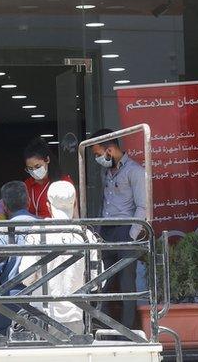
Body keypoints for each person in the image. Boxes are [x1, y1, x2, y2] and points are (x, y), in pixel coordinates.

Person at [18, 181, 101, 336]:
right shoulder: (87, 236)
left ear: (49, 206)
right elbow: (97, 281)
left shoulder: (37, 234)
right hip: (75, 316)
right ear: (75, 204)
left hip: (41, 317)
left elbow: (26, 277)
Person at [90, 128, 147, 329]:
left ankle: (128, 328)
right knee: (103, 278)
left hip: (125, 229)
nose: (97, 158)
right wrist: (97, 230)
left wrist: (131, 235)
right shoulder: (106, 173)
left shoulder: (136, 172)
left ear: (110, 150)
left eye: (98, 154)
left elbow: (143, 206)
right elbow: (103, 202)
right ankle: (101, 324)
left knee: (126, 282)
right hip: (106, 230)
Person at [0, 181, 36, 334]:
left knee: (4, 338)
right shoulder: (42, 226)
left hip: (11, 294)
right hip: (40, 294)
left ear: (5, 206)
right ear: (29, 201)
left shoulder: (5, 229)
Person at [22, 138, 73, 218]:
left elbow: (74, 211)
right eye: (30, 169)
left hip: (57, 228)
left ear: (47, 160)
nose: (34, 171)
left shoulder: (63, 182)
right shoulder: (27, 184)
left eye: (37, 166)